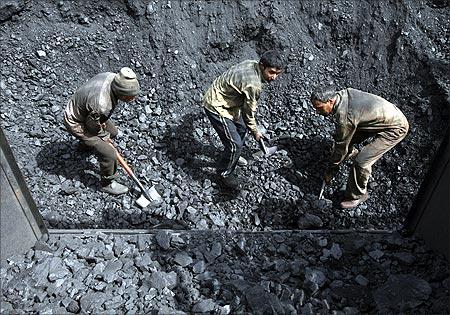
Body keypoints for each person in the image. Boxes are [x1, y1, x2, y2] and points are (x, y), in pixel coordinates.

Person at [310, 86, 409, 209]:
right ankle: (349, 153)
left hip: (395, 127)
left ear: (330, 101)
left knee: (361, 161)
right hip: (379, 117)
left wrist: (332, 169)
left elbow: (341, 146)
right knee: (343, 139)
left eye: (319, 108)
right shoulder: (342, 95)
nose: (317, 112)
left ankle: (358, 195)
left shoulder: (345, 117)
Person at [202, 50, 284, 188]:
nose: (274, 77)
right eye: (271, 72)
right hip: (216, 105)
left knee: (242, 129)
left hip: (230, 101)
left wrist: (251, 129)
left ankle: (232, 156)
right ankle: (224, 173)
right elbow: (249, 112)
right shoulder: (253, 85)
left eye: (277, 74)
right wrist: (256, 132)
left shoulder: (252, 63)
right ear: (262, 66)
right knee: (235, 144)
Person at [63, 67, 140, 195]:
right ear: (120, 93)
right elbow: (92, 127)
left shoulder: (112, 77)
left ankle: (85, 146)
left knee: (113, 132)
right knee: (110, 153)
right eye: (130, 97)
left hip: (86, 110)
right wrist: (103, 137)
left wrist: (103, 129)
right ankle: (107, 183)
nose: (133, 99)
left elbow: (95, 116)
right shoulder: (102, 105)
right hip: (76, 121)